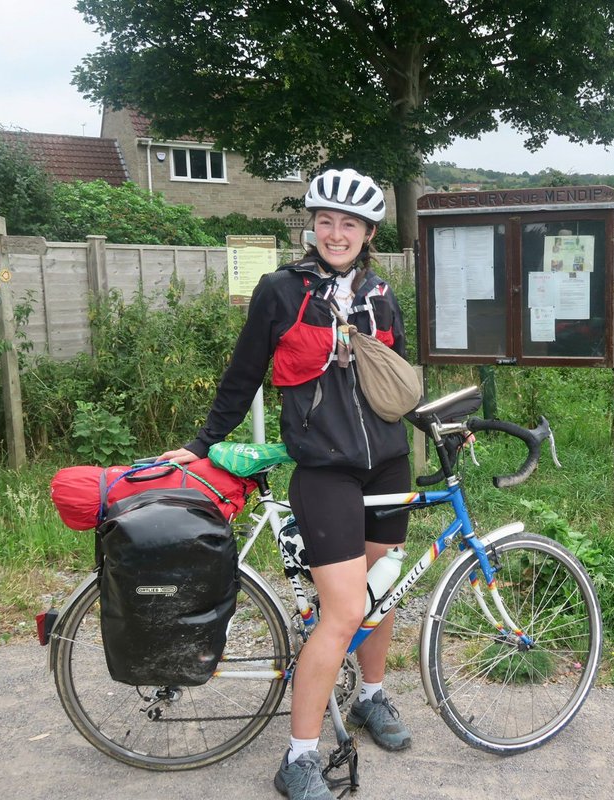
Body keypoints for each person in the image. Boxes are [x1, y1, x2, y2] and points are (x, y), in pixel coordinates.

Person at [158, 168, 413, 800]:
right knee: (346, 607)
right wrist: (199, 445)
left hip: (388, 461)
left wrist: (440, 428)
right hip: (323, 468)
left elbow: (401, 378)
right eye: (325, 221)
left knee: (383, 589)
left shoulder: (381, 293)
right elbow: (241, 375)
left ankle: (371, 696)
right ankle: (299, 756)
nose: (335, 232)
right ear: (312, 227)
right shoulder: (281, 291)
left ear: (368, 233)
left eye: (348, 224)